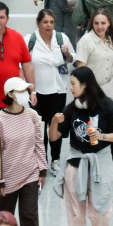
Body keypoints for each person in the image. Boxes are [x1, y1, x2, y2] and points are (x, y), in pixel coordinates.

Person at [49, 68, 113, 226]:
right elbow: (54, 138)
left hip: (101, 162)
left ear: (85, 85)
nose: (70, 87)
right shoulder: (71, 109)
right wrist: (54, 122)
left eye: (73, 83)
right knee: (75, 215)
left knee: (102, 212)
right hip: (76, 163)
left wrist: (101, 136)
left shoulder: (107, 106)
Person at [0, 77, 48, 226]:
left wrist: (42, 169)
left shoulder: (32, 115)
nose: (25, 94)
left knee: (30, 215)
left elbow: (39, 143)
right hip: (8, 177)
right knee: (5, 219)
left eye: (26, 90)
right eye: (21, 91)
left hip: (30, 174)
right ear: (10, 94)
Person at [24, 9, 74, 173]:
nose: (49, 25)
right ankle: (41, 159)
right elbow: (23, 64)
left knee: (56, 125)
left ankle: (56, 158)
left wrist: (67, 53)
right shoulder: (30, 40)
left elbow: (72, 59)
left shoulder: (61, 38)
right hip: (36, 92)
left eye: (51, 22)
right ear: (38, 23)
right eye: (45, 22)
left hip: (57, 90)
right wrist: (28, 88)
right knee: (39, 127)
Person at [74, 11, 113, 103]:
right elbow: (80, 69)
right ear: (92, 24)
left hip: (108, 91)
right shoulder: (86, 40)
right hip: (91, 92)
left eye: (103, 23)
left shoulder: (112, 40)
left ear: (109, 24)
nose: (100, 27)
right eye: (96, 23)